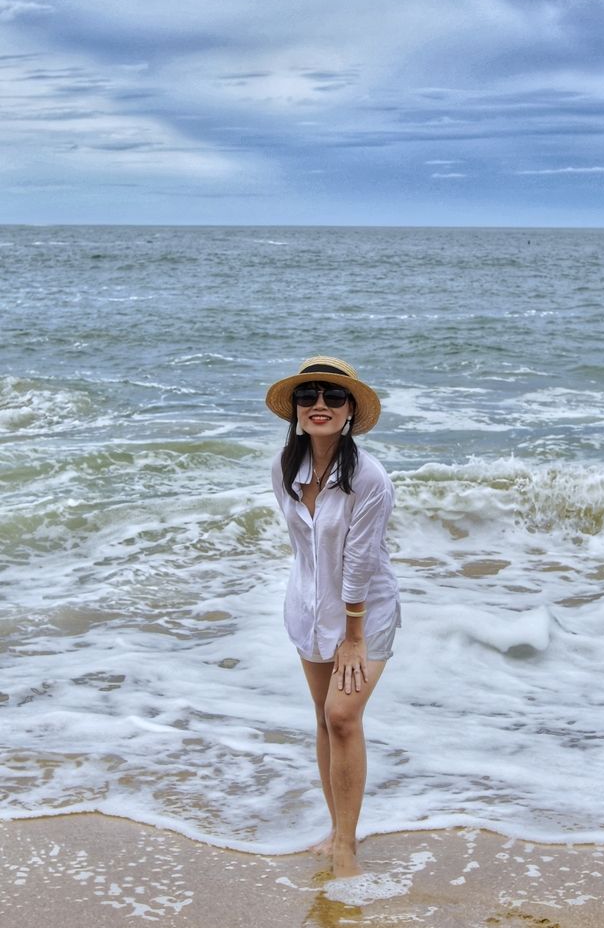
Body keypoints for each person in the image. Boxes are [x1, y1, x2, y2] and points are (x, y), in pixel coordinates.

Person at [266, 355, 400, 879]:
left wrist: (353, 636)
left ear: (350, 411)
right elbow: (304, 549)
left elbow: (360, 562)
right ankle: (334, 829)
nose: (319, 404)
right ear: (296, 409)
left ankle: (346, 845)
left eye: (333, 396)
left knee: (343, 716)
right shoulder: (285, 469)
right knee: (323, 717)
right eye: (308, 395)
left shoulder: (369, 478)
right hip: (308, 607)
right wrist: (312, 611)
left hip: (365, 611)